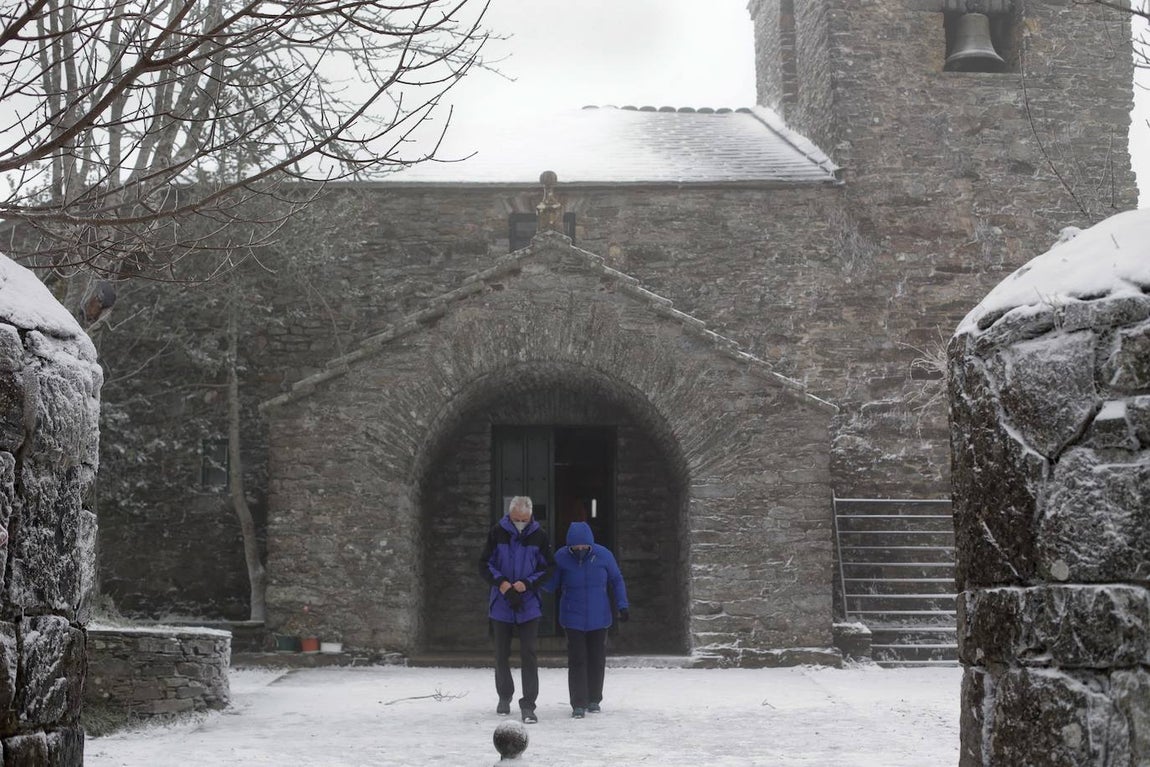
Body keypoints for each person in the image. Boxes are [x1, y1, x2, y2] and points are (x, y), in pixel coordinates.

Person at [478, 495, 554, 724]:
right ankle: (504, 695)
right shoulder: (496, 532)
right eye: (516, 519)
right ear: (510, 516)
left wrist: (526, 583)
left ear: (530, 516)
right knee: (501, 653)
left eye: (524, 519)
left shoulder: (539, 536)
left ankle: (529, 703)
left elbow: (548, 567)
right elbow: (484, 563)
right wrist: (502, 584)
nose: (520, 523)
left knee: (529, 654)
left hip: (528, 602)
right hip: (501, 602)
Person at [544, 521, 629, 719]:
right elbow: (550, 585)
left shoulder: (604, 555)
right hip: (572, 617)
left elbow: (616, 580)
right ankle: (578, 703)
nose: (581, 549)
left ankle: (594, 699)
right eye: (576, 546)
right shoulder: (561, 557)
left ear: (591, 544)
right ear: (569, 546)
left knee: (597, 659)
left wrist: (622, 605)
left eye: (584, 546)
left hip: (599, 617)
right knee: (577, 660)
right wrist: (544, 566)